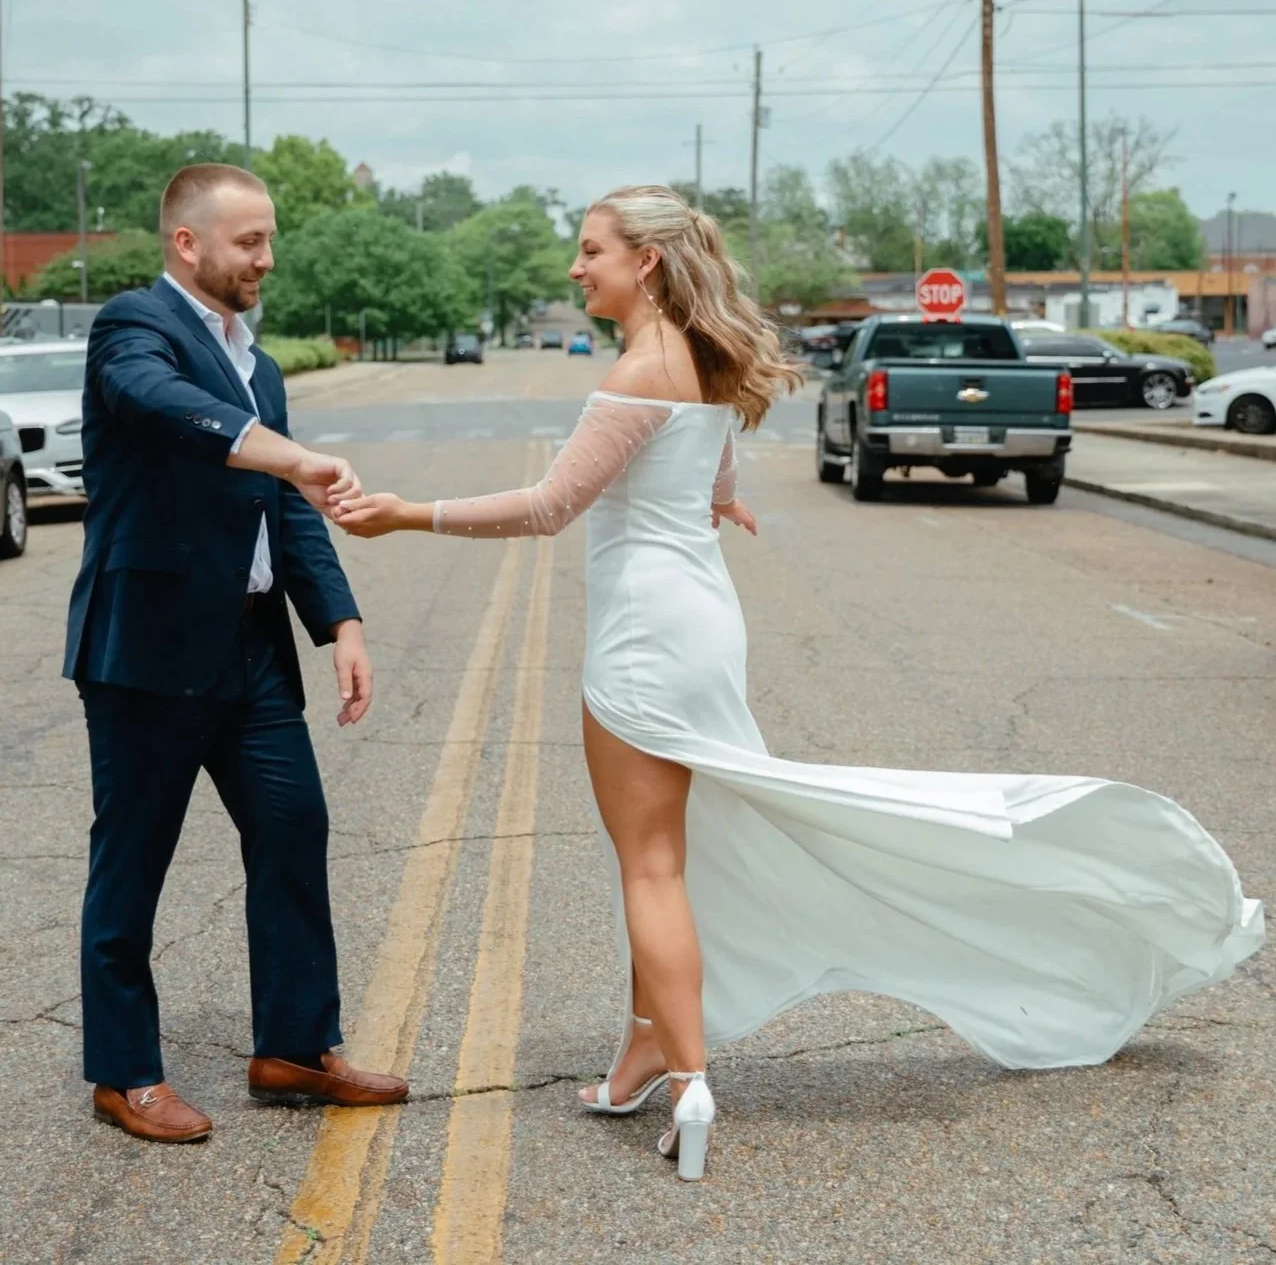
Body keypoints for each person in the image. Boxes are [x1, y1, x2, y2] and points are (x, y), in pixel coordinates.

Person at [332, 183, 1263, 1182]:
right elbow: (715, 480)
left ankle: (689, 1081)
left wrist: (406, 514)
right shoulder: (697, 357)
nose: (575, 267)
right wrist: (716, 507)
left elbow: (549, 507)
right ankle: (644, 1049)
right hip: (697, 617)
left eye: (590, 250)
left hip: (645, 631)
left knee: (649, 865)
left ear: (643, 261)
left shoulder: (641, 369)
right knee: (663, 856)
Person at [65, 163, 408, 1143]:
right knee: (132, 863)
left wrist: (339, 624)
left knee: (294, 831)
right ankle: (124, 1072)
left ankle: (295, 1050)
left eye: (267, 239)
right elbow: (159, 404)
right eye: (248, 240)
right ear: (188, 244)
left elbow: (287, 517)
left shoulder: (259, 367)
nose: (266, 257)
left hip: (253, 653)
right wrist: (287, 451)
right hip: (147, 655)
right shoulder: (134, 327)